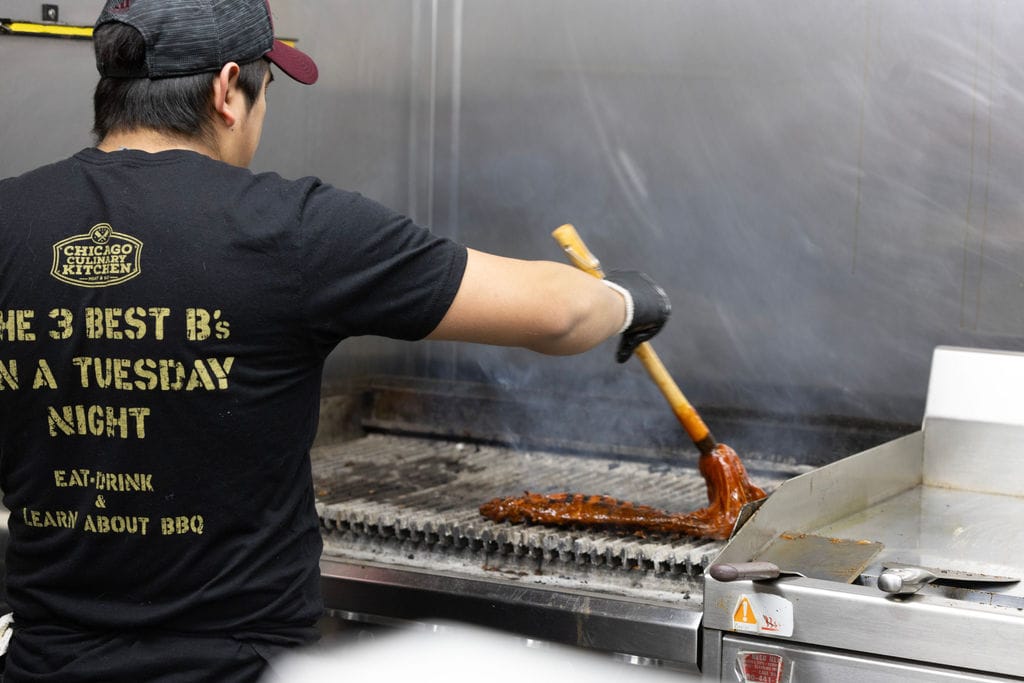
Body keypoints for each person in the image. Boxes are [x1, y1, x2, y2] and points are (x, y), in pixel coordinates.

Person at [0, 1, 670, 681]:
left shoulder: (8, 221)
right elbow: (556, 315)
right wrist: (627, 299)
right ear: (227, 90)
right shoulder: (291, 229)